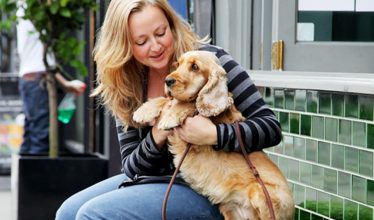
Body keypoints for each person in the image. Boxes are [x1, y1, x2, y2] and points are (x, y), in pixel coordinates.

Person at [56, 0, 282, 219]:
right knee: (67, 212)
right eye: (141, 41)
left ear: (172, 24)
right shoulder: (127, 84)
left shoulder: (209, 60)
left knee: (92, 214)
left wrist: (214, 135)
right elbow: (131, 166)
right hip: (152, 182)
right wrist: (158, 135)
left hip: (214, 189)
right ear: (125, 45)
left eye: (161, 32)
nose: (156, 47)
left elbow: (270, 128)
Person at [16, 2, 86, 154]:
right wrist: (66, 84)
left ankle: (23, 177)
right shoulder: (35, 13)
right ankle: (34, 177)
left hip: (31, 80)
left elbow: (45, 60)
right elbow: (43, 62)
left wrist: (65, 84)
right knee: (39, 138)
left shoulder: (28, 12)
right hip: (37, 81)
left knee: (32, 135)